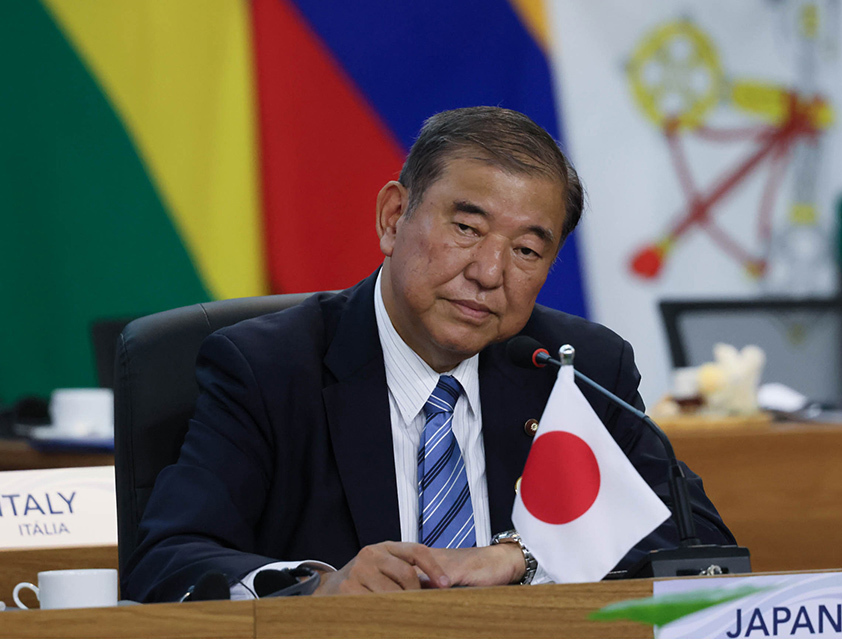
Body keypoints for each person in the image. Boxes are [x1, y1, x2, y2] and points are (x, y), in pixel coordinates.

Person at [123, 106, 734, 602]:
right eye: (466, 229)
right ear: (394, 218)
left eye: (526, 250)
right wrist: (318, 589)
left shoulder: (577, 367)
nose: (489, 272)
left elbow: (700, 546)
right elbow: (171, 561)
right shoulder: (267, 368)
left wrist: (523, 557)